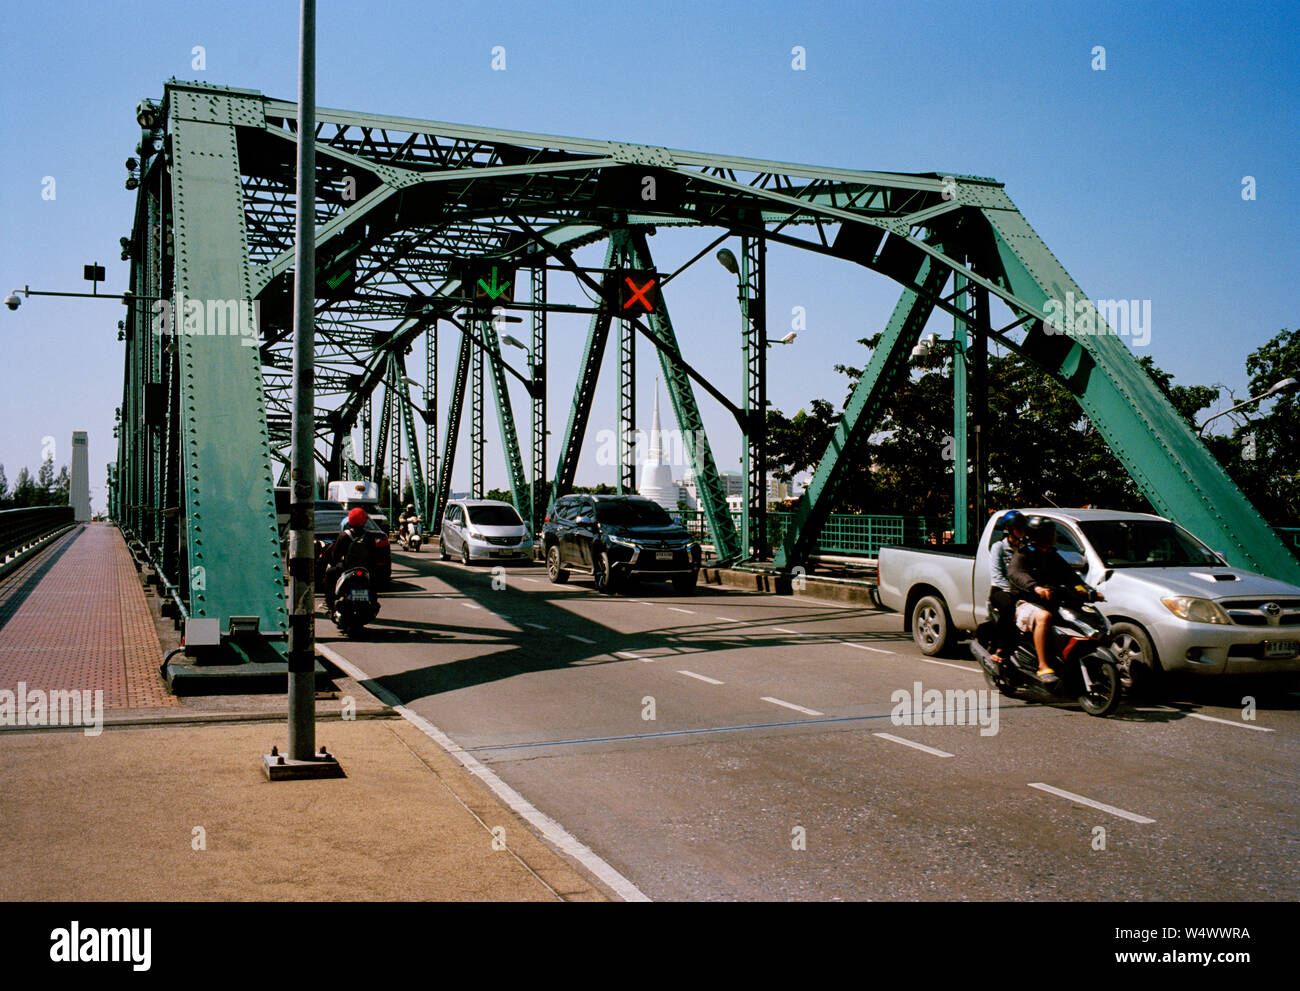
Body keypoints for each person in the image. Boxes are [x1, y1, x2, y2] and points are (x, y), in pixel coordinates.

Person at [1008, 516, 1098, 685]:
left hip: (1051, 600)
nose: (1053, 536)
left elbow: (1071, 578)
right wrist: (1035, 587)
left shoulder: (1052, 555)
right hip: (1025, 602)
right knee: (1044, 617)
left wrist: (1089, 591)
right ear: (1037, 535)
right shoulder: (1023, 554)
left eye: (1052, 532)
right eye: (1048, 533)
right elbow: (1016, 574)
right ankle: (1043, 666)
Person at [988, 511, 1028, 662]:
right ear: (1010, 529)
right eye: (1019, 527)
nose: (1022, 531)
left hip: (1021, 590)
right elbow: (997, 576)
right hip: (1001, 590)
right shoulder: (998, 547)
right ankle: (1000, 648)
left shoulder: (1025, 547)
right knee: (1008, 607)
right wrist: (1013, 591)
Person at [325, 507, 376, 611]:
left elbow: (335, 555)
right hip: (364, 569)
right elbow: (373, 556)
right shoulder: (369, 536)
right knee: (373, 581)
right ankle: (373, 600)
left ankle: (329, 603)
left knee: (329, 574)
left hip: (346, 569)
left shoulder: (344, 535)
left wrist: (332, 563)